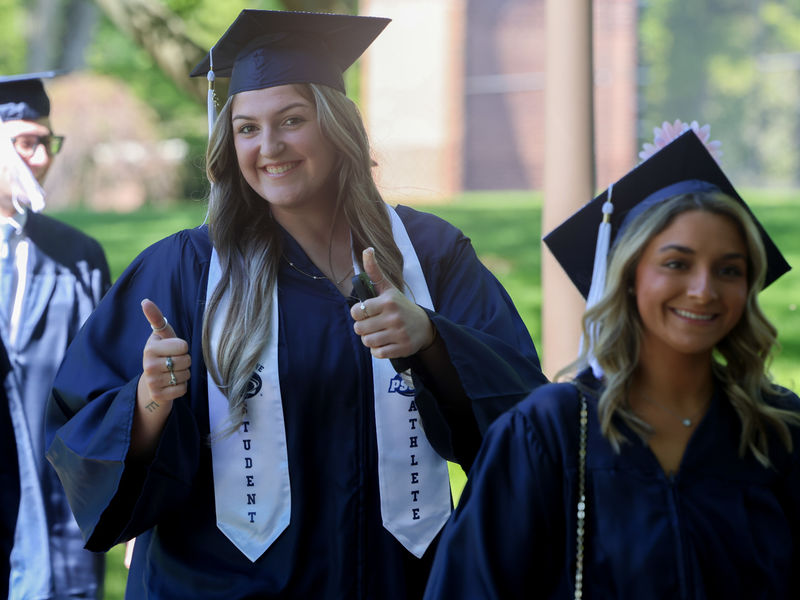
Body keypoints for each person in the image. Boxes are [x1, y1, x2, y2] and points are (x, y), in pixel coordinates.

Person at [44, 10, 547, 599]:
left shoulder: (427, 256)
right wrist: (149, 398)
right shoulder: (185, 269)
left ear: (337, 128)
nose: (269, 146)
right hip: (224, 586)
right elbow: (79, 438)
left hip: (396, 580)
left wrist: (433, 342)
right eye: (247, 128)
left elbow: (523, 418)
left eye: (291, 120)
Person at [423, 127, 800, 599]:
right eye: (677, 264)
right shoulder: (550, 432)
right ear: (628, 275)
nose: (704, 289)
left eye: (729, 269)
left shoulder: (779, 430)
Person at [0, 73, 111, 599]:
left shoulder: (79, 256)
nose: (42, 158)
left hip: (59, 511)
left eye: (48, 143)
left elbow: (108, 388)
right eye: (26, 143)